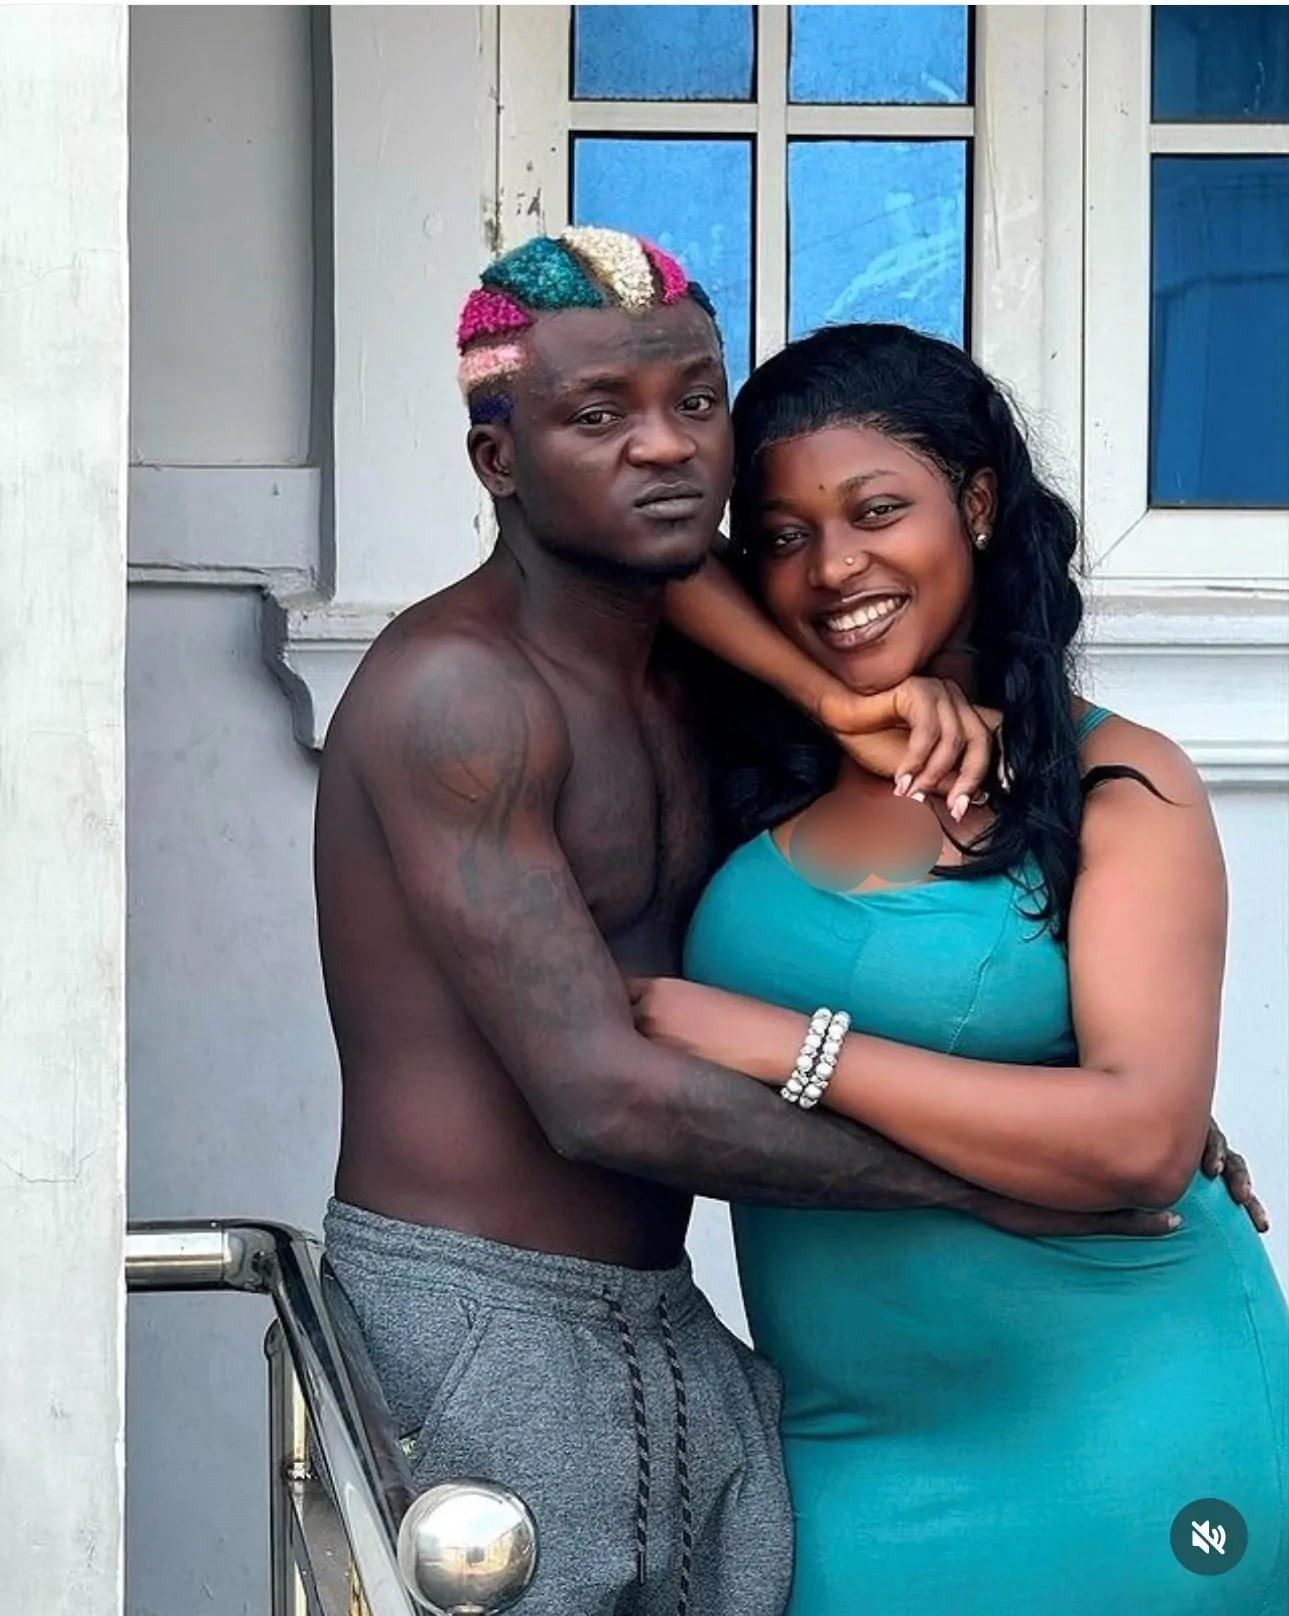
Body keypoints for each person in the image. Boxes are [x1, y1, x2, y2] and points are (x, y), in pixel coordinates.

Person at [315, 229, 1259, 1616]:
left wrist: (1102, 1108)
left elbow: (689, 561)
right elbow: (601, 1098)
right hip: (495, 1324)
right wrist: (999, 1181)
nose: (663, 448)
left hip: (729, 1347)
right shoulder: (461, 694)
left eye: (696, 402)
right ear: (496, 459)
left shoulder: (723, 699)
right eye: (598, 415)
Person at [630, 322, 1288, 1615]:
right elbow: (626, 548)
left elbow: (1140, 1142)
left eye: (880, 510)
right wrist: (831, 701)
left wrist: (787, 1048)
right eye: (782, 535)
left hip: (1128, 1432)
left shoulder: (1113, 782)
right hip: (850, 1453)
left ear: (977, 505)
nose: (834, 567)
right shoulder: (756, 762)